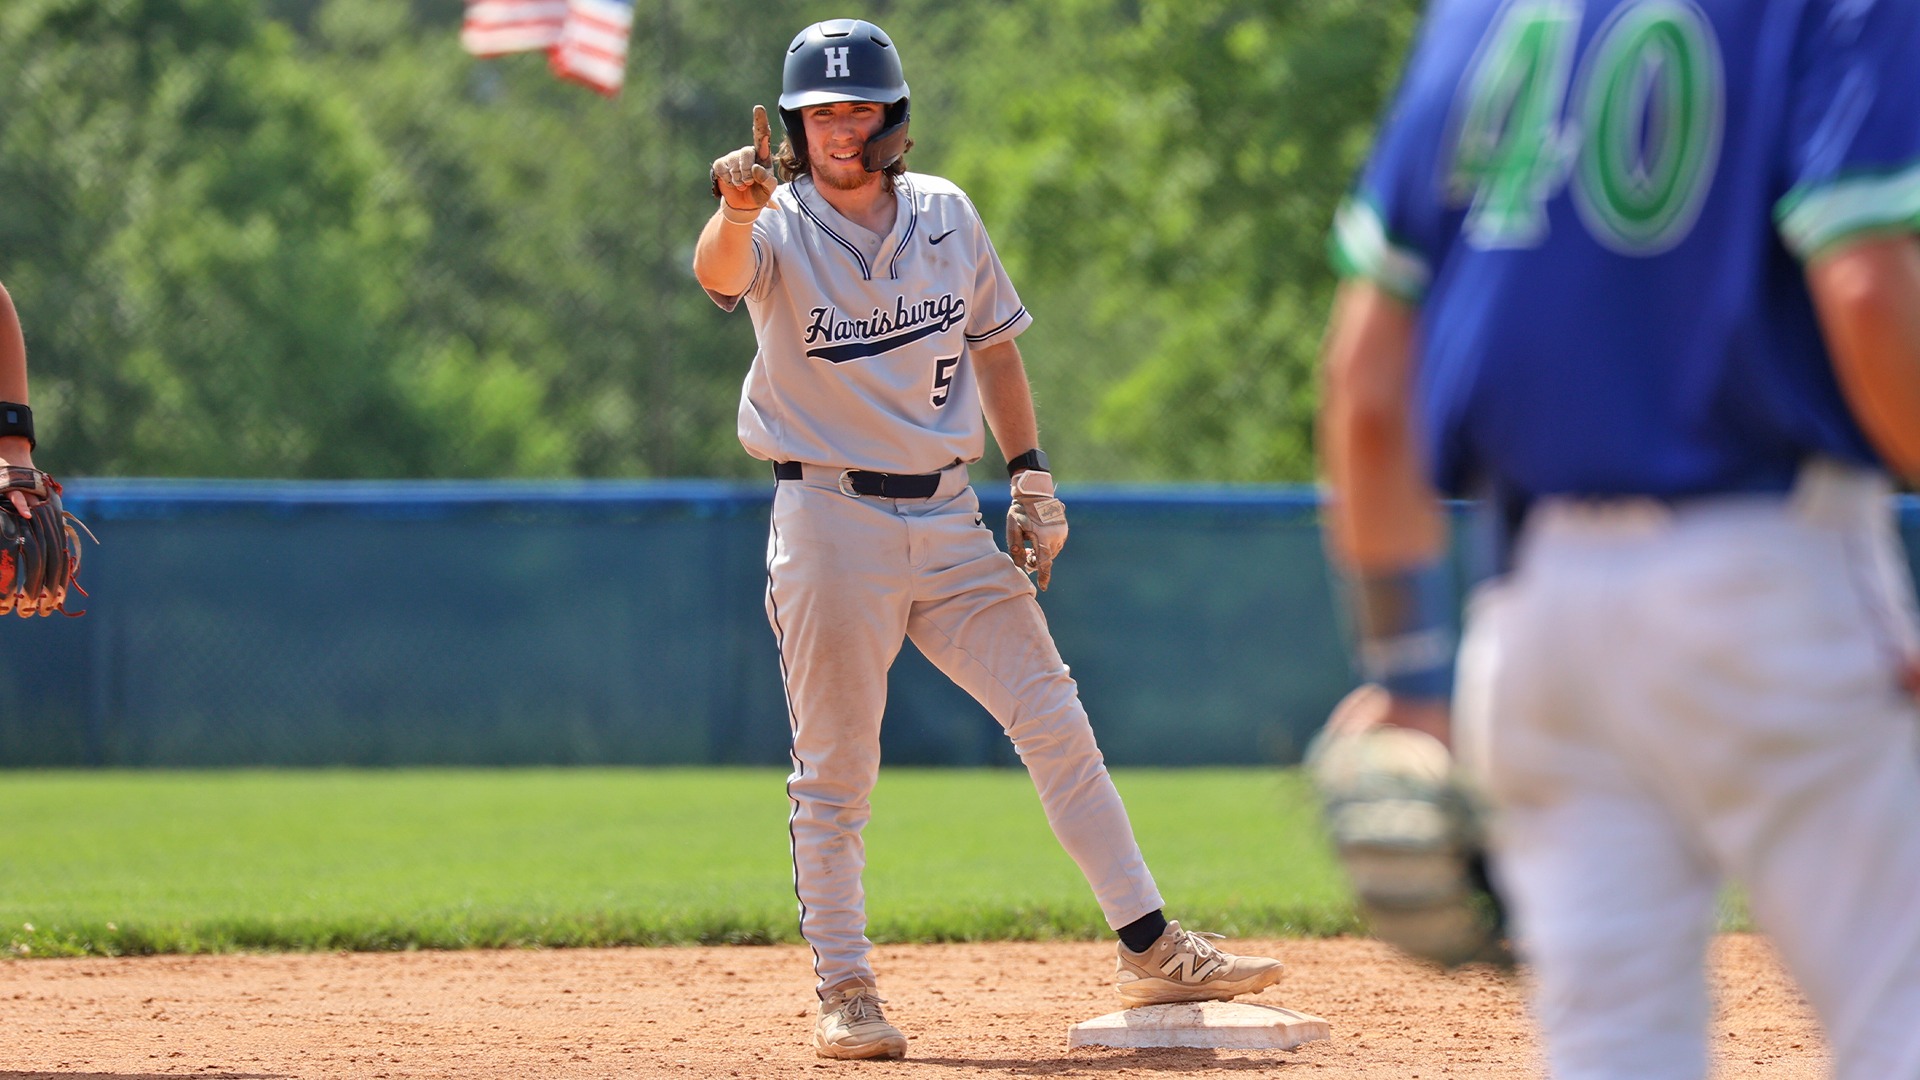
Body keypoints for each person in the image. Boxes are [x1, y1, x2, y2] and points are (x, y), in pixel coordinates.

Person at [1315, 0, 1920, 1077]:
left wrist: (1406, 680)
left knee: (1614, 1046)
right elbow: (1868, 294)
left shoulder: (1478, 19)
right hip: (1770, 575)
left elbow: (1367, 386)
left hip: (1535, 625)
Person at [693, 16, 1283, 1062]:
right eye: (820, 113)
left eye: (857, 109)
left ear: (893, 117)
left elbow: (996, 350)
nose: (839, 129)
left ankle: (1149, 947)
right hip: (828, 519)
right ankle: (847, 987)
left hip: (949, 514)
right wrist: (733, 211)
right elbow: (720, 274)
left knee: (1053, 716)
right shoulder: (775, 221)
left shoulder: (945, 213)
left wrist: (1032, 476)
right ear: (792, 126)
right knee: (836, 769)